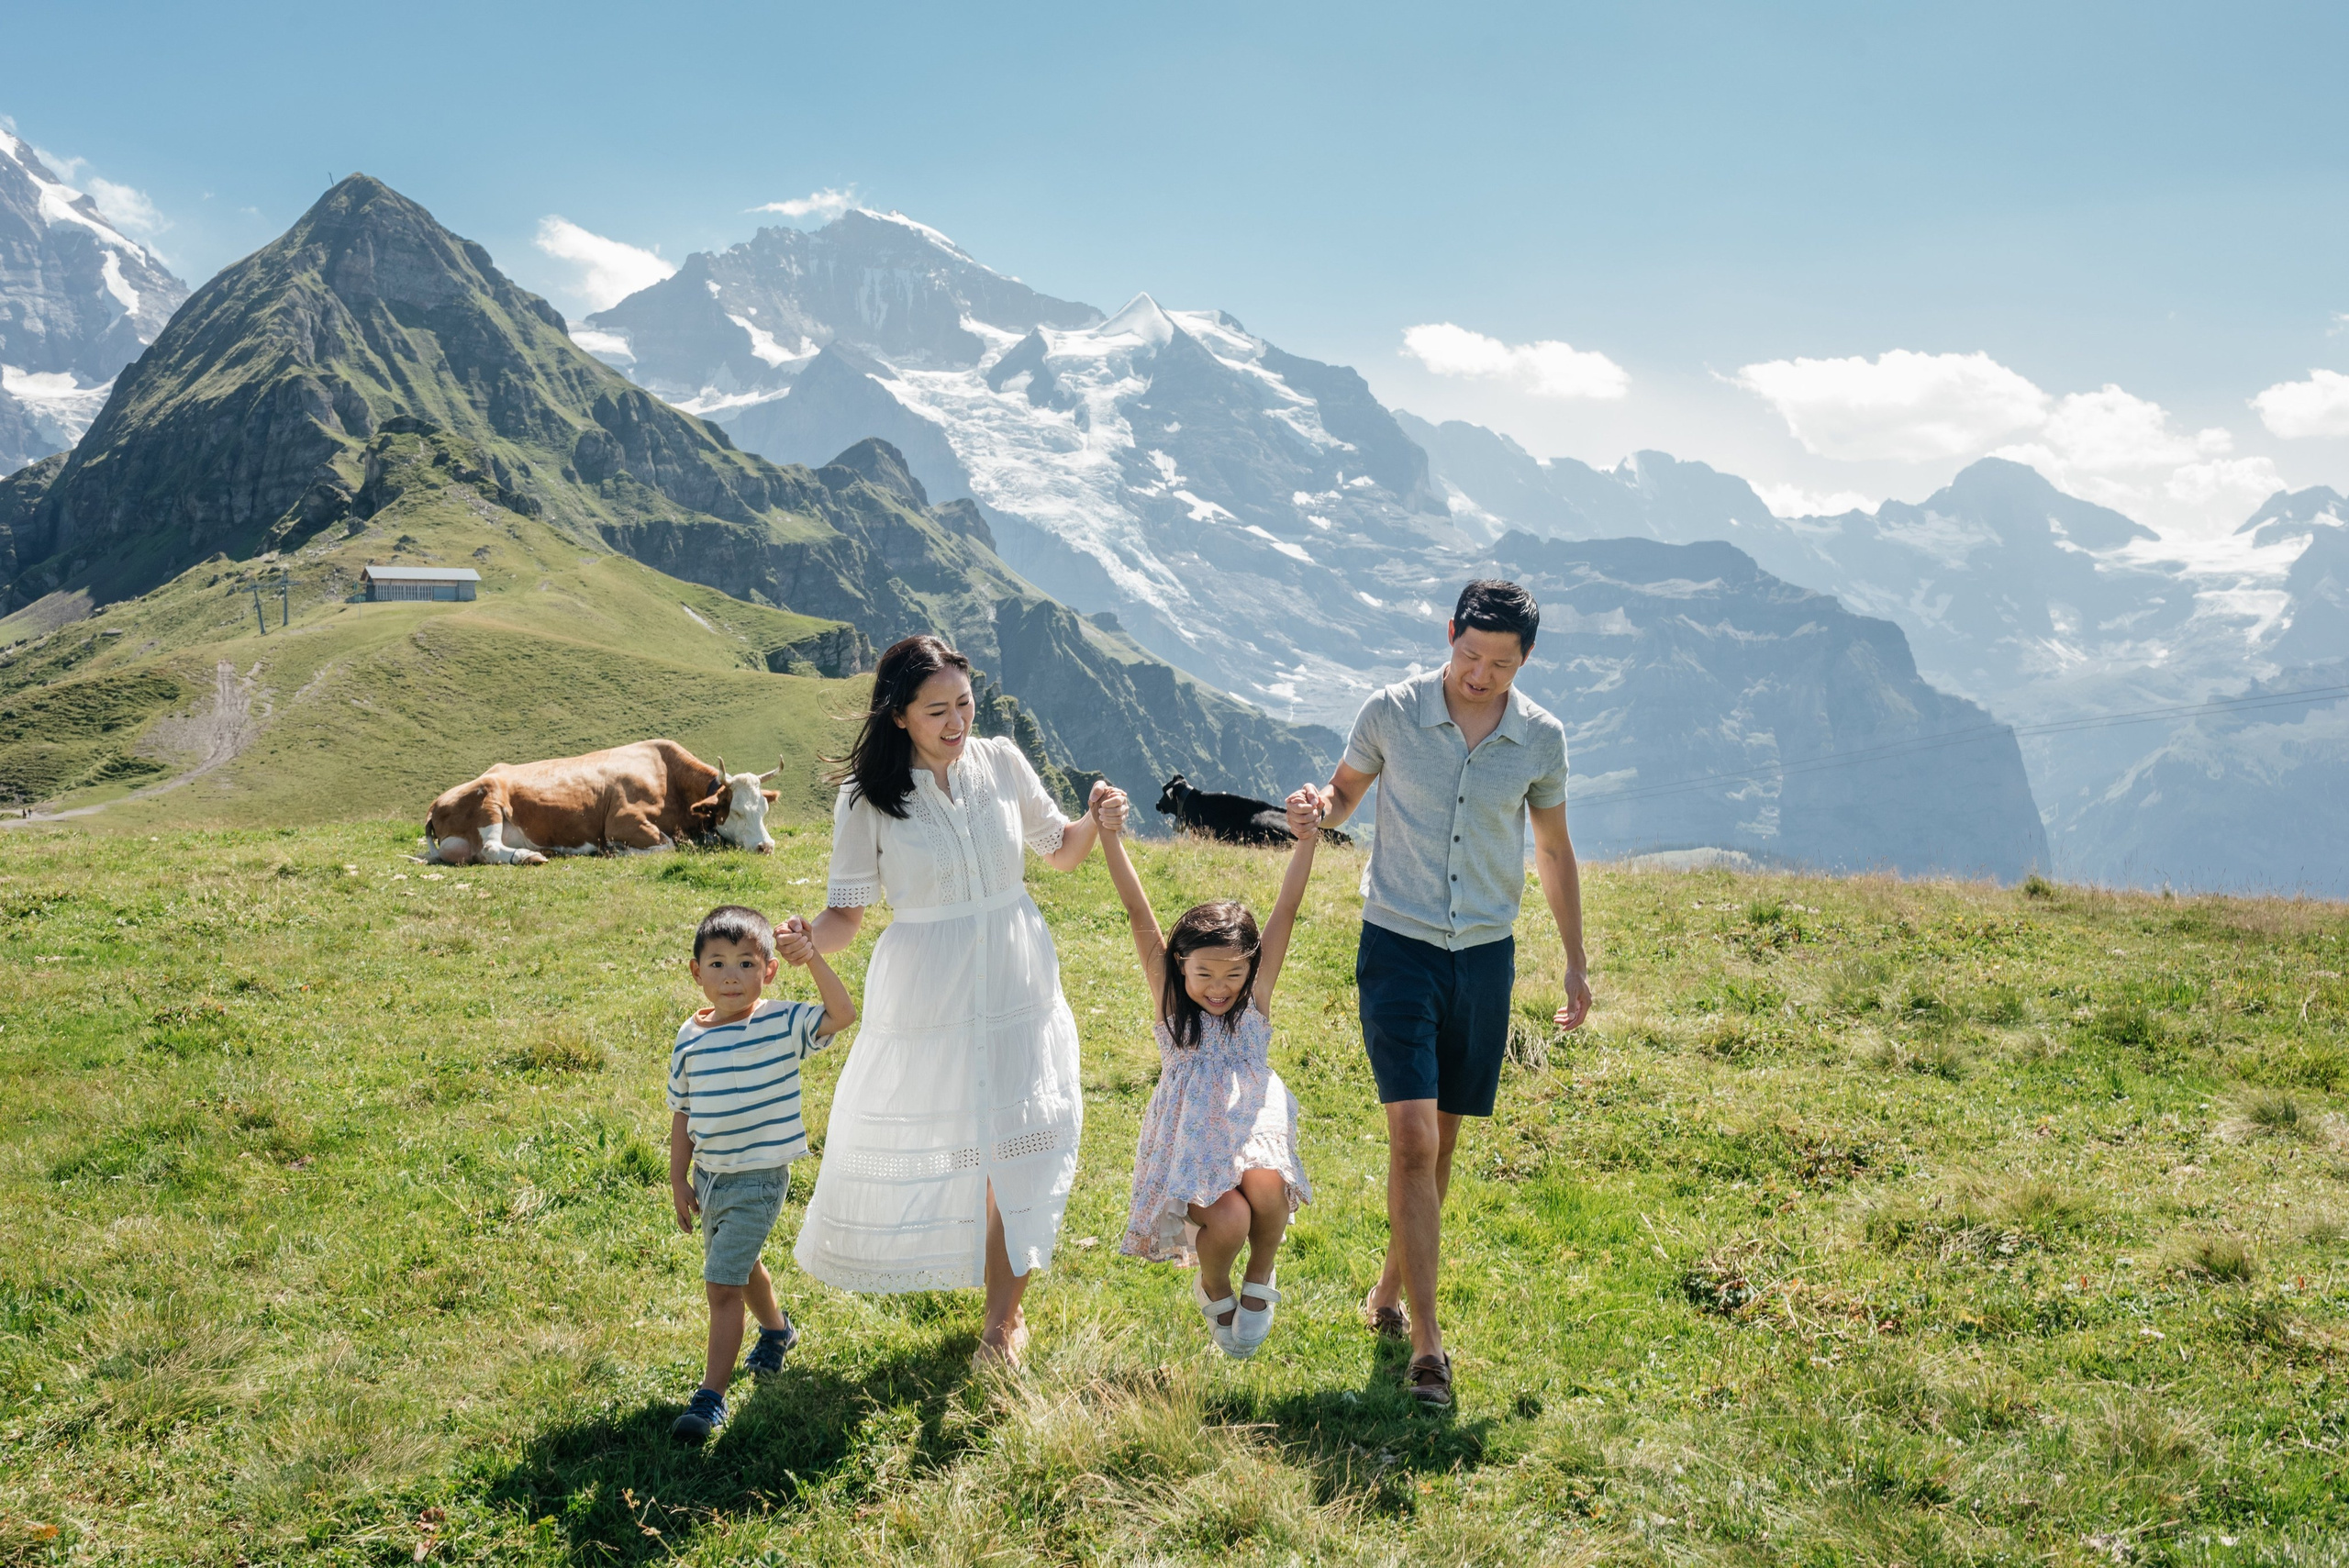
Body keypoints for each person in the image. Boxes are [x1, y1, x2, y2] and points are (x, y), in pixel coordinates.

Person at [1286, 579, 1591, 1407]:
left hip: (1485, 957)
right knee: (1414, 1138)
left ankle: (1387, 1291)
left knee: (1443, 1142)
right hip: (1398, 945)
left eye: (1501, 663)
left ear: (1525, 659)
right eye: (1469, 654)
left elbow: (1555, 852)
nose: (1480, 674)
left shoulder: (1541, 740)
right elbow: (1347, 790)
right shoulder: (1390, 710)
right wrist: (1322, 803)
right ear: (1449, 633)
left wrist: (1574, 959)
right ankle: (1428, 1348)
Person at [794, 633, 1114, 1366]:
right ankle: (976, 1287)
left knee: (1017, 1141)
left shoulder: (1000, 760)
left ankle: (1003, 1323)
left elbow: (1059, 850)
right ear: (899, 715)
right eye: (936, 709)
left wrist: (1095, 815)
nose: (956, 722)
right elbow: (846, 914)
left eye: (964, 703)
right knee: (955, 1142)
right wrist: (806, 940)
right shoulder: (866, 797)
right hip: (925, 987)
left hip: (1015, 971)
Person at [1095, 785, 1317, 1358]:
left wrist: (1307, 840)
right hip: (1194, 1141)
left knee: (1267, 1186)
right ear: (1179, 966)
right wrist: (1111, 836)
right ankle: (1213, 1282)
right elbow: (1137, 911)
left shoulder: (1255, 1001)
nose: (1219, 990)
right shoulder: (1172, 1003)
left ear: (1251, 970)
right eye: (1205, 976)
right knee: (1231, 1218)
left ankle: (1260, 1276)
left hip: (1252, 1122)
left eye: (1233, 976)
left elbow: (1286, 911)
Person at [666, 903, 855, 1444]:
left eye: (747, 964)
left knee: (722, 1284)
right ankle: (777, 1332)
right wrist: (679, 1178)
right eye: (719, 963)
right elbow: (683, 1112)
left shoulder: (780, 1019)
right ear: (696, 971)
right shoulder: (690, 1036)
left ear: (769, 971)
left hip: (759, 1177)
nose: (732, 976)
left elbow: (841, 1014)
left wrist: (813, 957)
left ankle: (710, 1398)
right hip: (712, 1177)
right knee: (741, 1266)